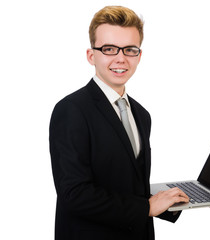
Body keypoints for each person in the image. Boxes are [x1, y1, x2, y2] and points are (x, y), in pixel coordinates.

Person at [49, 6, 189, 240]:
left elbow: (129, 183)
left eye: (130, 49)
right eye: (109, 49)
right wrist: (146, 207)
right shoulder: (71, 110)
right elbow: (74, 194)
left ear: (139, 56)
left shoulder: (141, 115)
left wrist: (171, 200)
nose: (121, 58)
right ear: (91, 55)